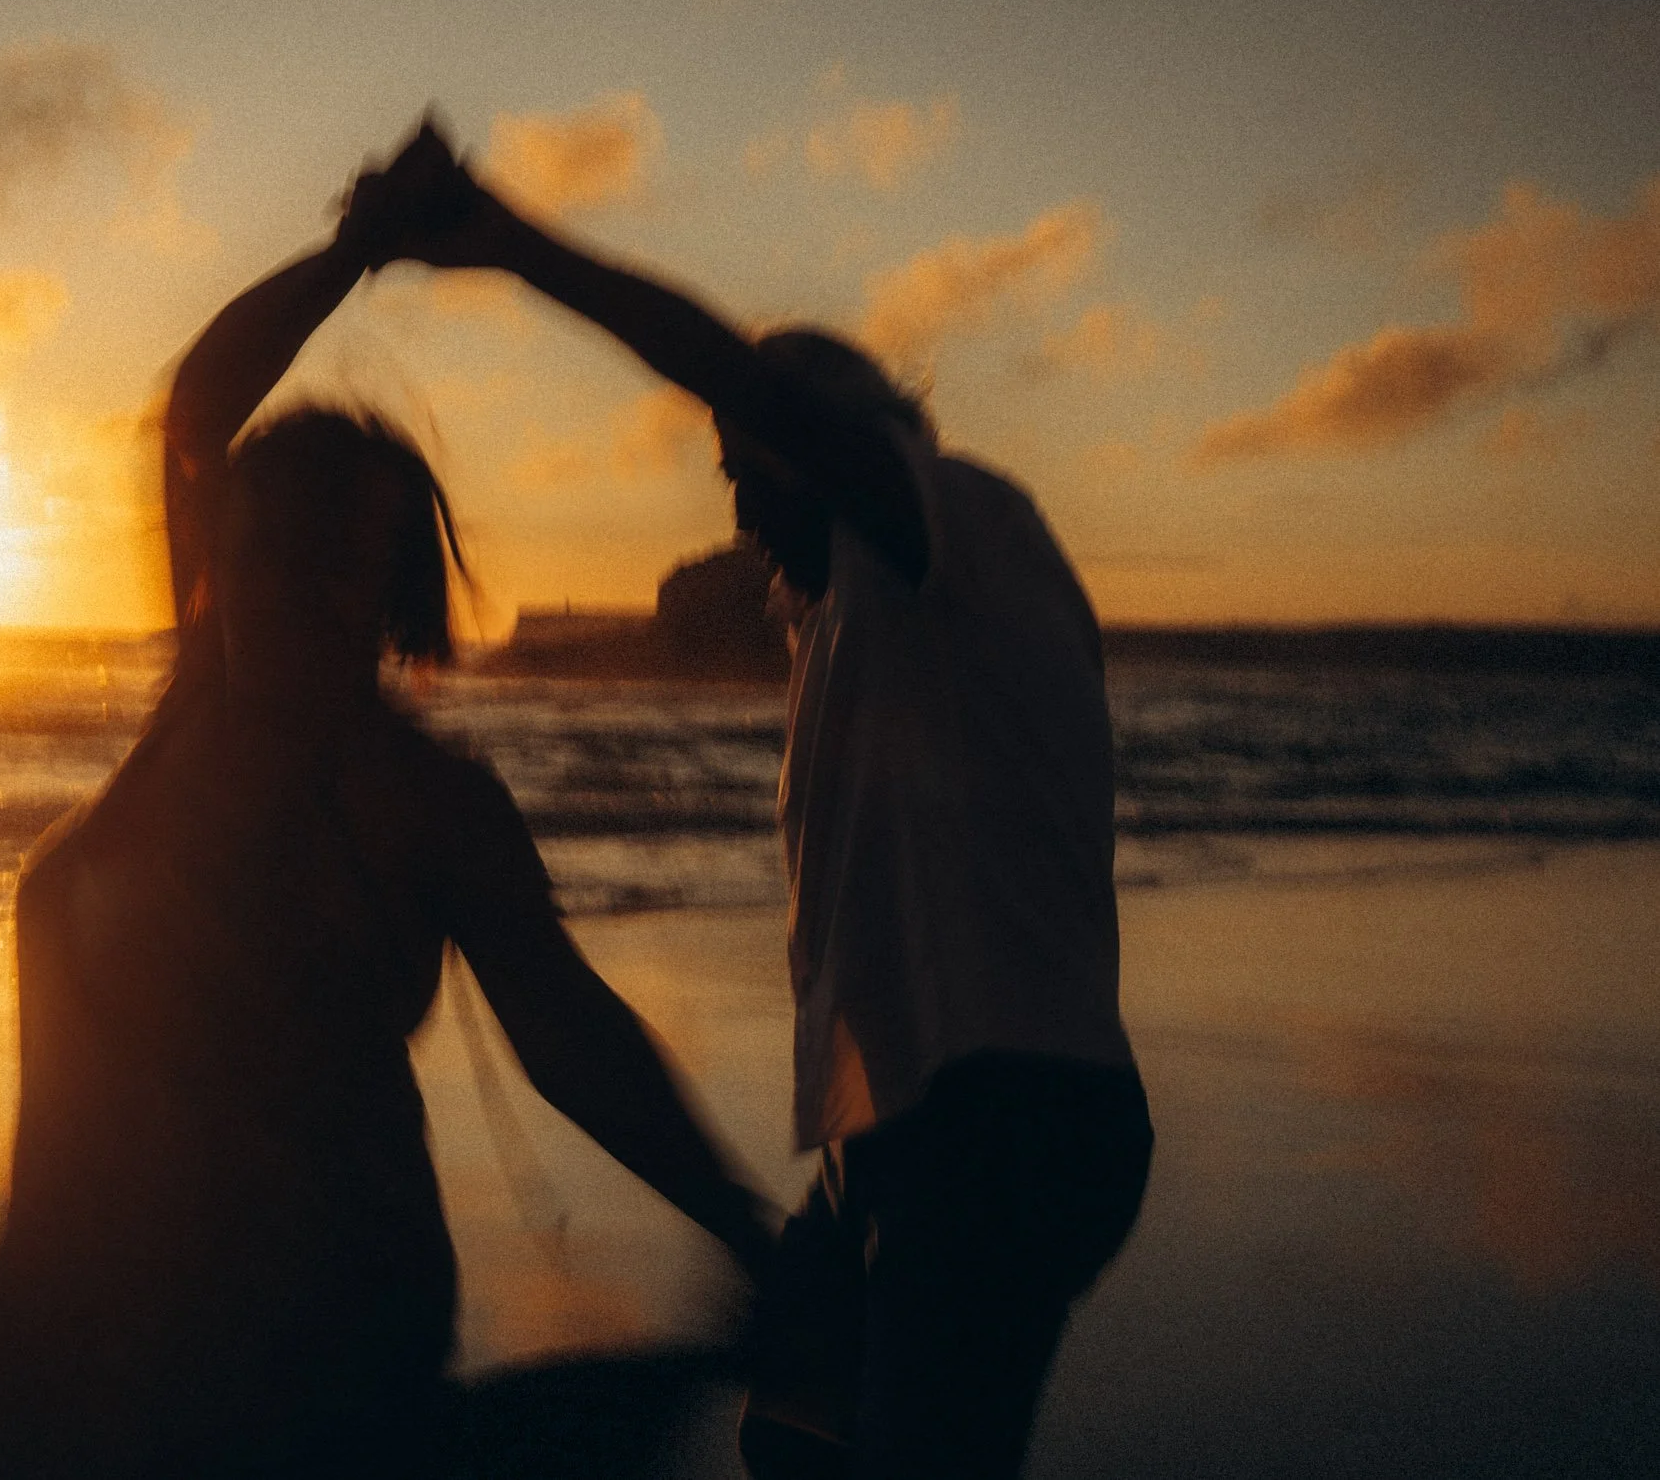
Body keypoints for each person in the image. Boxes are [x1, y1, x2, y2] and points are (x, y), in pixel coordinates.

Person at [0, 167, 779, 1480]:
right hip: (57, 1358)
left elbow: (569, 1034)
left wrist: (746, 1228)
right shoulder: (193, 709)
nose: (294, 585)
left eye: (339, 558)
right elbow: (196, 410)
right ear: (219, 564)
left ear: (393, 596)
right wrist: (354, 250)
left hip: (310, 1355)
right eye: (265, 547)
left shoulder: (425, 802)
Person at [358, 127, 1154, 1479]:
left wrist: (507, 243)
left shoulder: (965, 525)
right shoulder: (864, 616)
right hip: (904, 1128)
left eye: (745, 465)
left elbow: (731, 374)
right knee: (791, 1430)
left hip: (1007, 1119)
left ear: (831, 445)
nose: (734, 509)